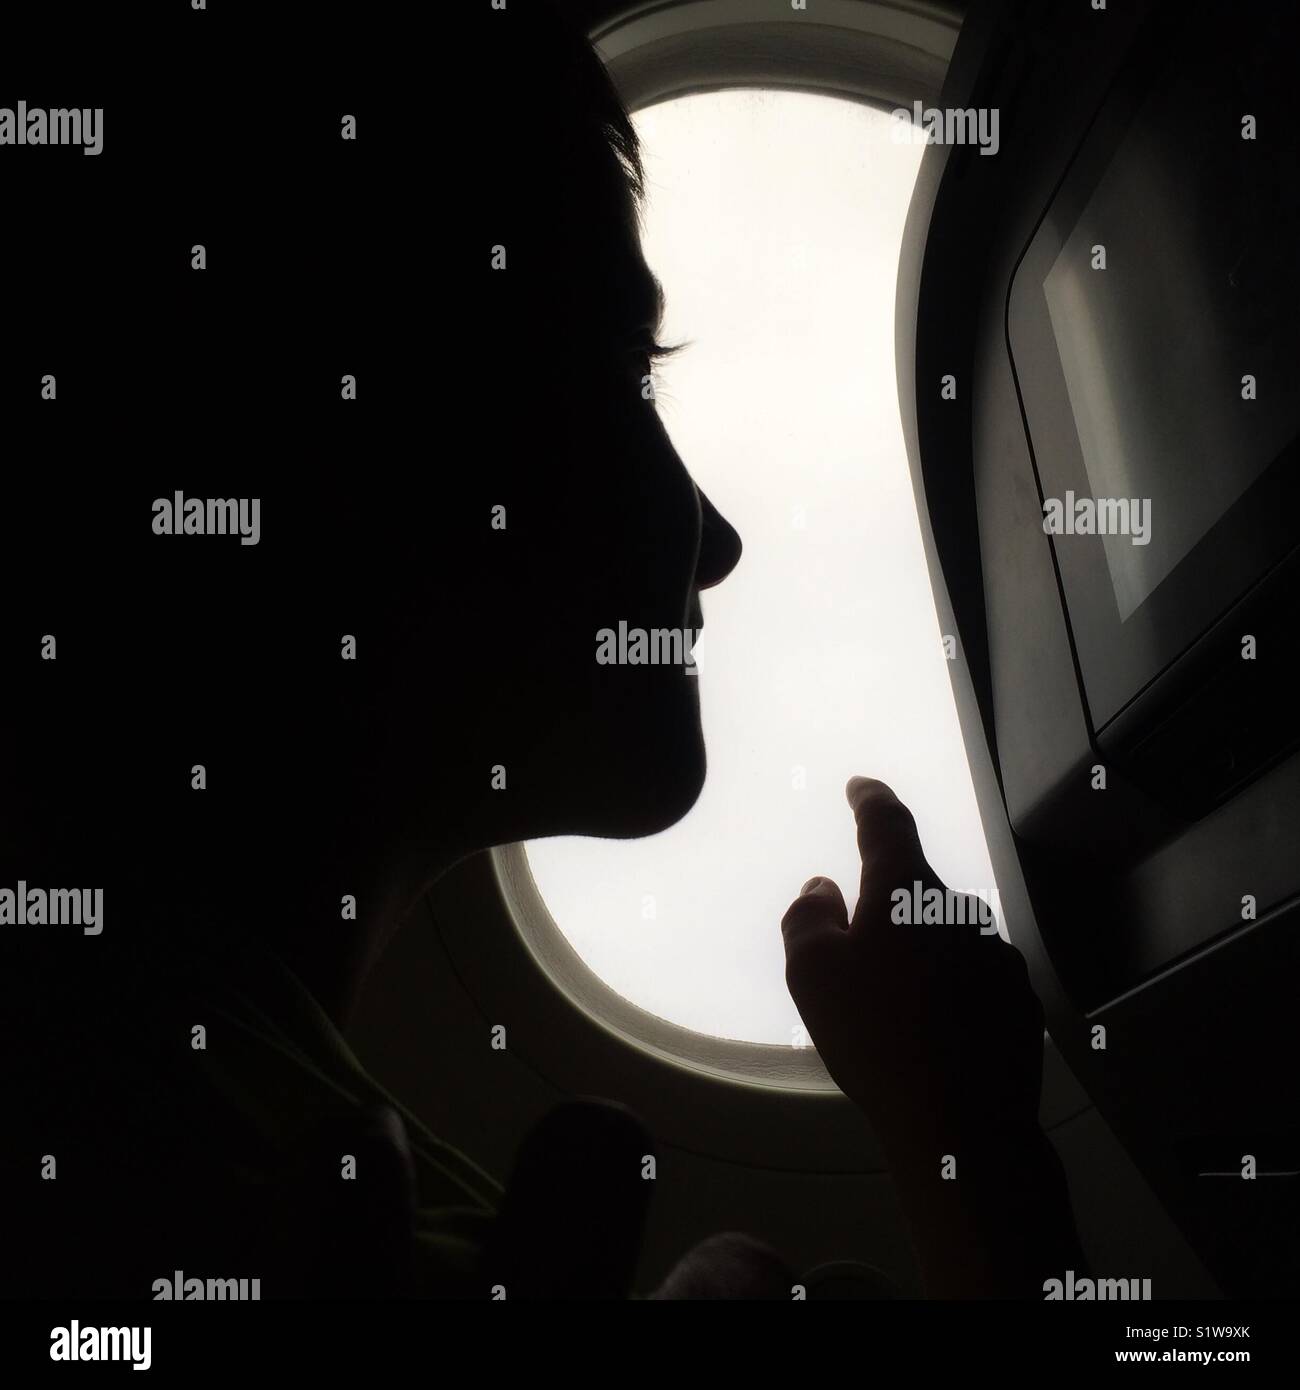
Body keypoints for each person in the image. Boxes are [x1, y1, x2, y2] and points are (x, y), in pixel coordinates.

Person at [0, 0, 1083, 1298]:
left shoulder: (190, 1088)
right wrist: (983, 1161)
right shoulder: (203, 1192)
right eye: (629, 374)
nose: (720, 542)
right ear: (357, 434)